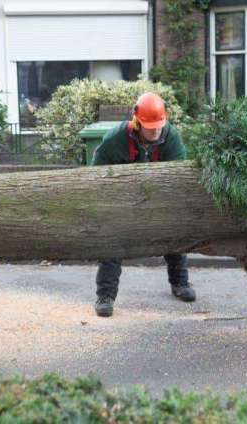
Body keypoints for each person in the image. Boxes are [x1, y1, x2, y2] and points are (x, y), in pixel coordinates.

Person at [91, 92, 196, 317]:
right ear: (138, 123)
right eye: (151, 127)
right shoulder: (115, 139)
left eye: (159, 126)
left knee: (174, 233)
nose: (156, 131)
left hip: (158, 200)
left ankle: (180, 283)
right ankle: (105, 295)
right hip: (122, 201)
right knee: (112, 242)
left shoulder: (171, 137)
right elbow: (96, 176)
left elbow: (178, 177)